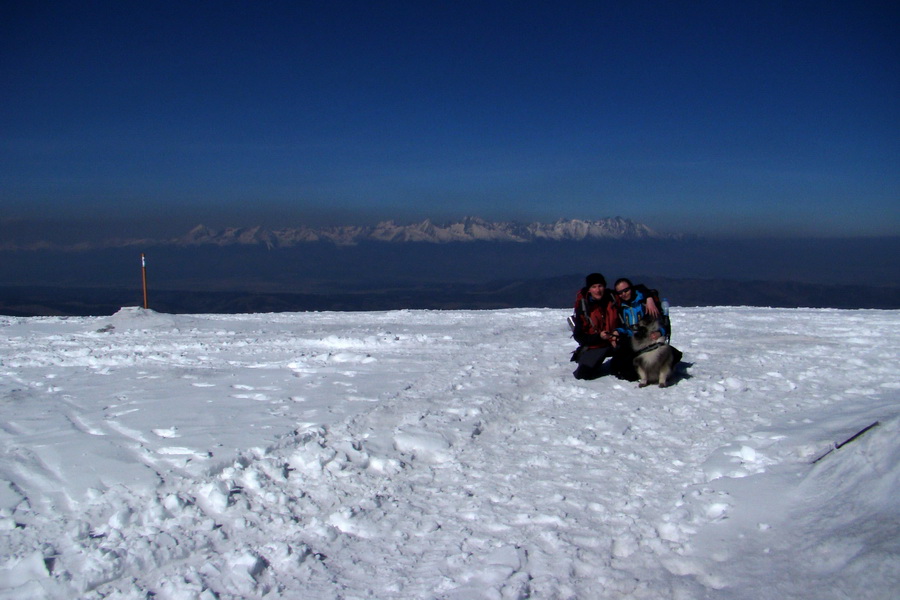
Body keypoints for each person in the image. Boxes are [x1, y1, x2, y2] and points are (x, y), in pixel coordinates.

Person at [611, 278, 680, 380]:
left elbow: (663, 324)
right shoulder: (620, 307)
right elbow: (625, 327)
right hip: (634, 341)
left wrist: (659, 332)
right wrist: (618, 331)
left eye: (626, 290)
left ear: (632, 289)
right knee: (623, 371)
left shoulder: (645, 303)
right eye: (620, 293)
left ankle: (670, 359)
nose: (624, 294)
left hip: (650, 340)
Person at [570, 273, 621, 380]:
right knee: (583, 375)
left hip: (616, 340)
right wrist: (598, 337)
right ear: (589, 289)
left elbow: (631, 290)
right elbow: (579, 335)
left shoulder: (613, 299)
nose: (598, 290)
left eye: (600, 286)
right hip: (596, 344)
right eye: (594, 287)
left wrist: (649, 297)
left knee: (627, 370)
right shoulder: (584, 307)